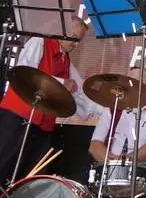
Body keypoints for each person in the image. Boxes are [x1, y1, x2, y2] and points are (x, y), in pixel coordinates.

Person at [0, 15, 100, 185]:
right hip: (17, 117)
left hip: (42, 127)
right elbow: (24, 72)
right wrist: (61, 83)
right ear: (61, 31)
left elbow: (80, 93)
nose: (75, 44)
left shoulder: (66, 60)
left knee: (28, 178)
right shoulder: (40, 42)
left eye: (78, 41)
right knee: (4, 164)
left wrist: (107, 108)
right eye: (73, 38)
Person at [88, 93, 146, 164]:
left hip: (142, 168)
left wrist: (124, 160)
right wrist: (113, 162)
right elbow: (94, 146)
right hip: (109, 168)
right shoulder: (111, 110)